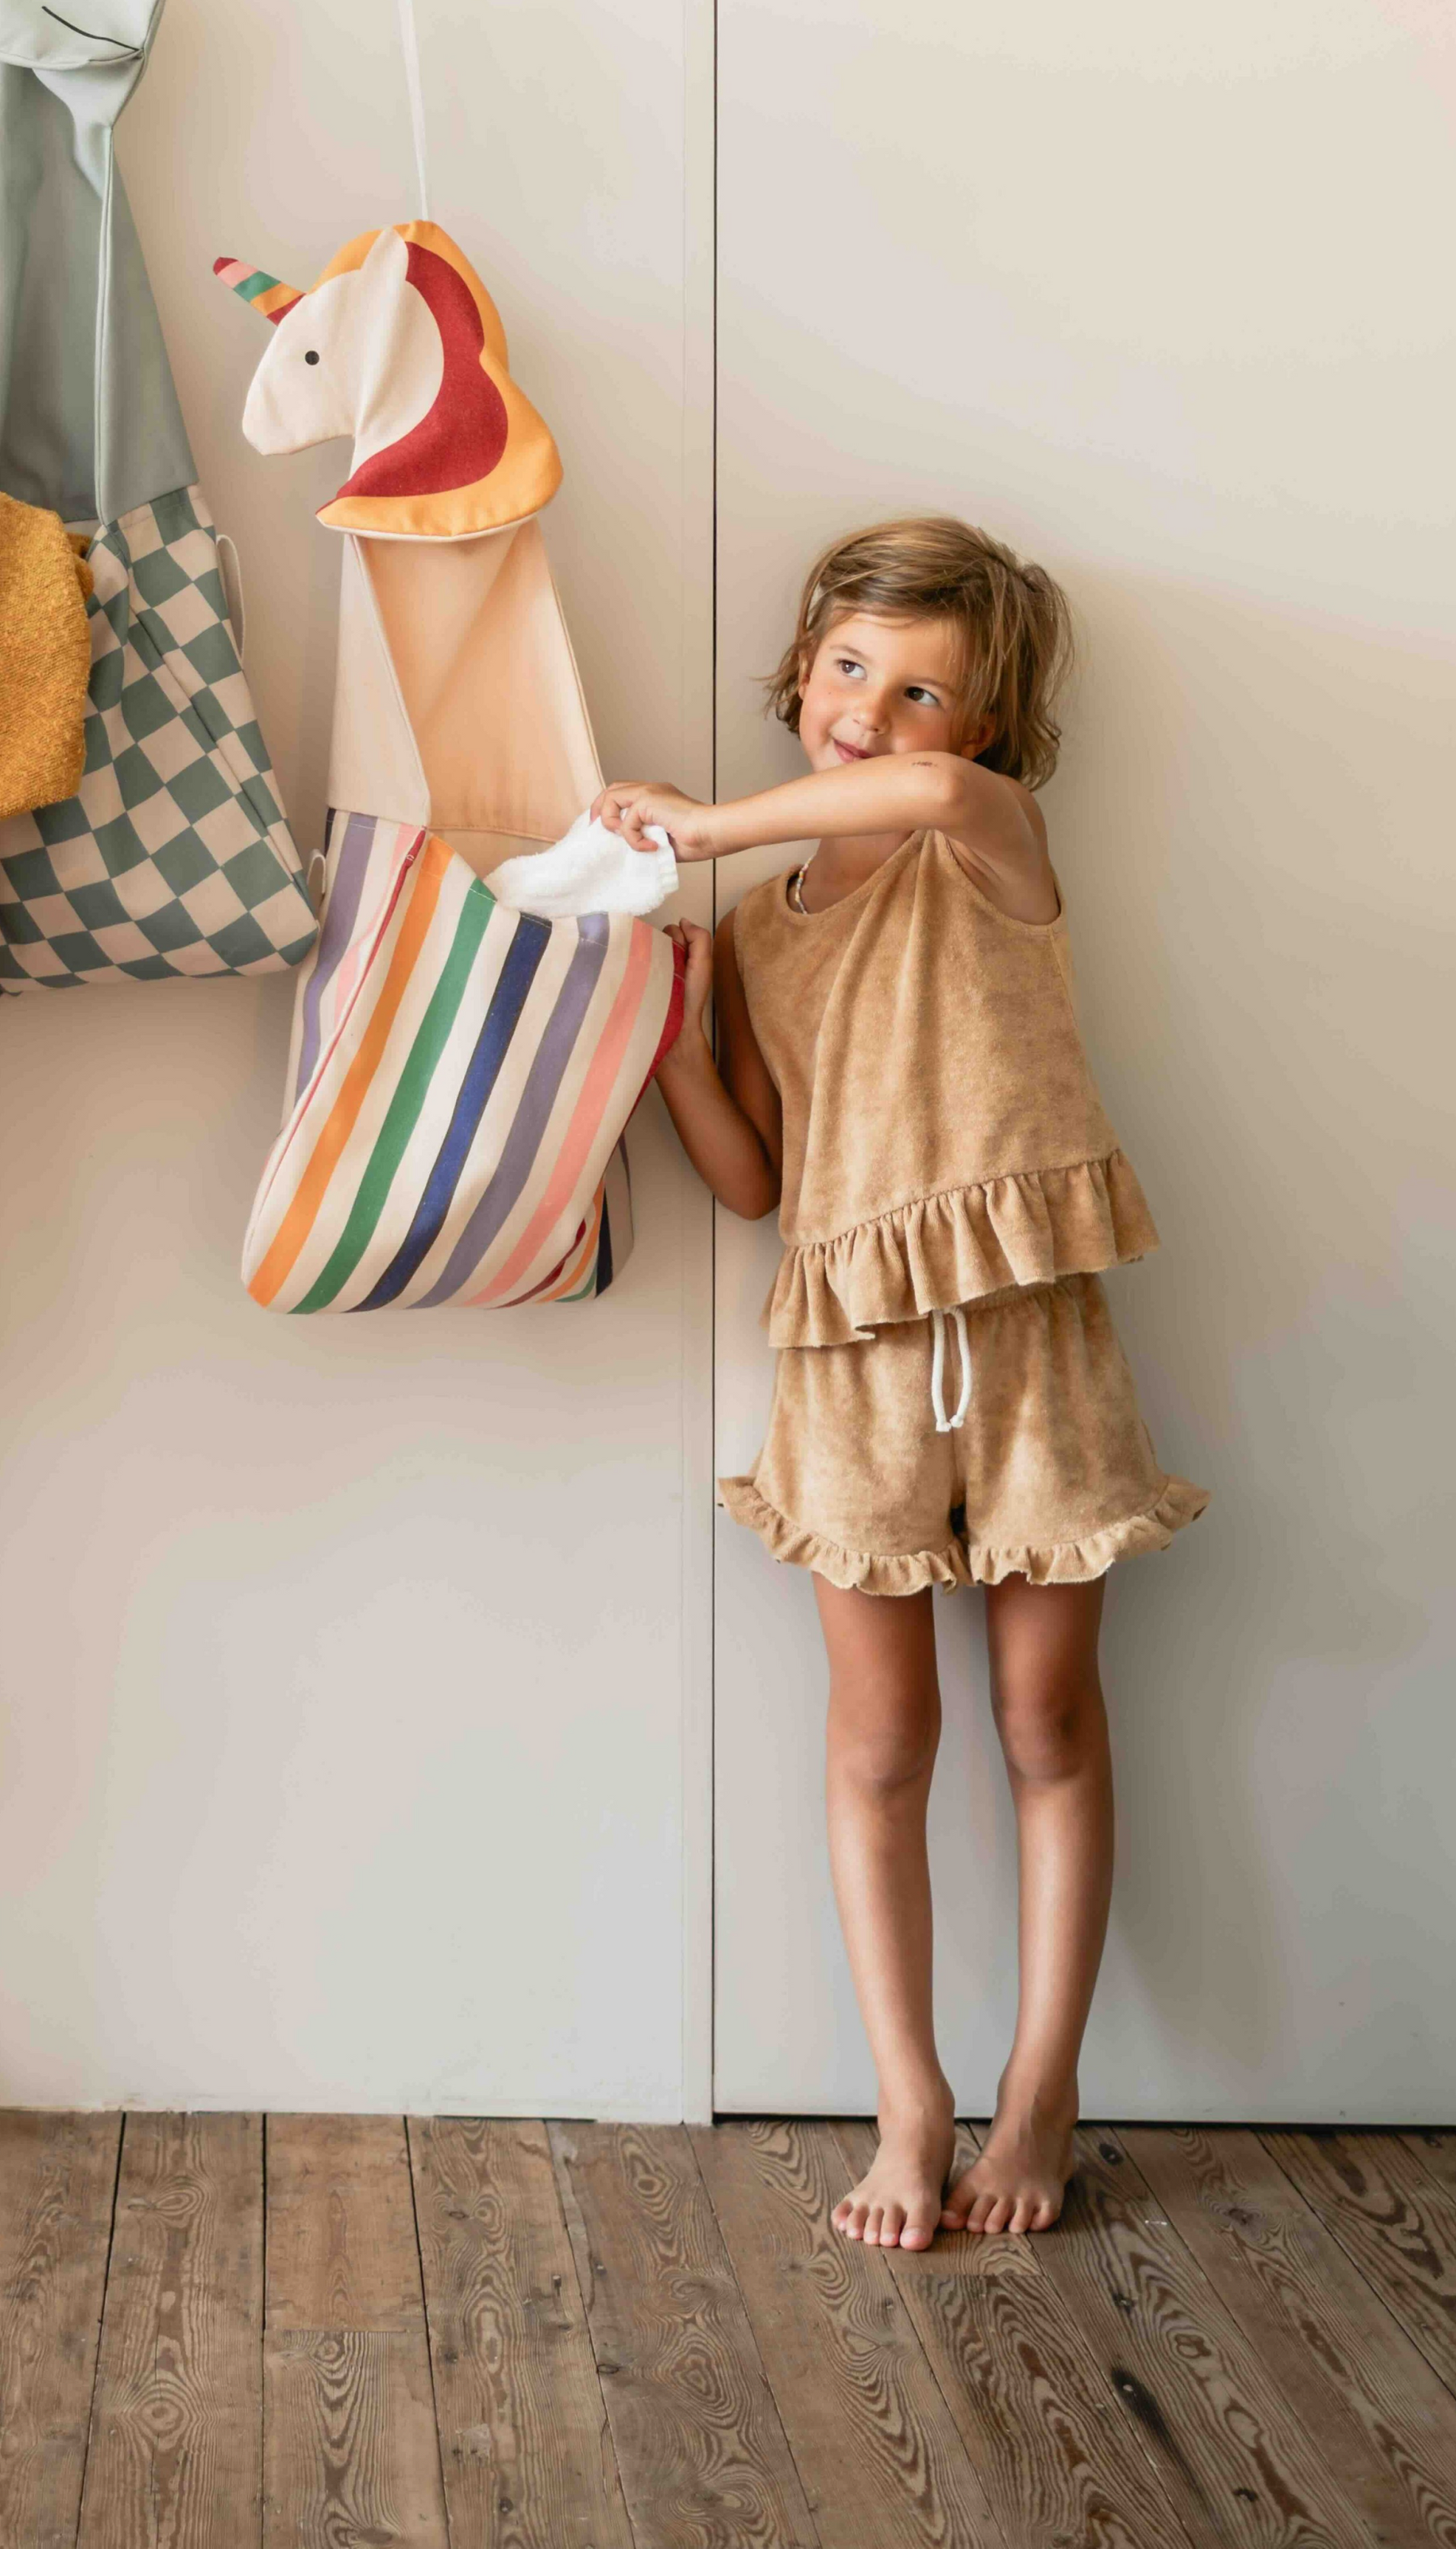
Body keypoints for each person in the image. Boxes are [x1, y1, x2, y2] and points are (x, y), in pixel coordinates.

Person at [607, 517, 1206, 2252]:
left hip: (1025, 1329)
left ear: (987, 729)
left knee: (1046, 1723)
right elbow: (752, 1178)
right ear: (802, 668)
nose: (873, 710)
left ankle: (1041, 2090)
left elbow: (929, 805)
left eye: (924, 688)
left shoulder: (991, 836)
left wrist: (709, 816)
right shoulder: (757, 919)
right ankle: (910, 2099)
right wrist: (664, 1031)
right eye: (852, 667)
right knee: (880, 1743)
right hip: (847, 1350)